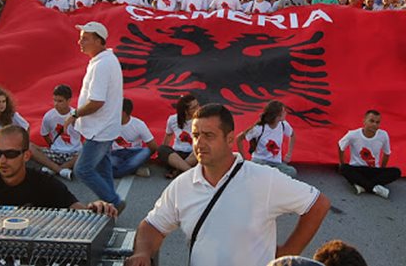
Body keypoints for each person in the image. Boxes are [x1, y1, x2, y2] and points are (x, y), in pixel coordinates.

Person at [125, 103, 330, 266]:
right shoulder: (183, 185)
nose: (199, 143)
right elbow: (152, 225)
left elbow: (317, 204)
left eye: (209, 136)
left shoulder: (263, 179)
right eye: (196, 136)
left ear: (230, 139)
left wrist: (286, 254)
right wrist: (142, 252)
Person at [64, 21, 125, 211]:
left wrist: (74, 113)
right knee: (102, 167)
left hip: (99, 129)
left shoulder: (102, 65)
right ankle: (110, 205)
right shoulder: (105, 60)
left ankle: (114, 202)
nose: (80, 42)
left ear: (99, 41)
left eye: (85, 39)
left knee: (82, 169)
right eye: (81, 38)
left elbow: (97, 102)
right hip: (105, 127)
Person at [337, 109, 401, 198]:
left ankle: (363, 186)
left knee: (396, 172)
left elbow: (387, 153)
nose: (374, 124)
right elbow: (340, 145)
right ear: (364, 121)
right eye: (371, 121)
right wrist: (341, 162)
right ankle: (374, 187)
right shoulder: (353, 134)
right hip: (357, 168)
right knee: (344, 168)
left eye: (377, 122)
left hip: (374, 170)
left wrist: (382, 169)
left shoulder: (383, 135)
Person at [237, 100, 297, 177]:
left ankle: (268, 177)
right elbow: (239, 138)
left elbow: (292, 135)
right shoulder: (259, 128)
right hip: (260, 161)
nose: (286, 113)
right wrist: (244, 160)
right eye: (283, 111)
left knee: (291, 171)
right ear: (277, 115)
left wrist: (289, 154)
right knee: (262, 173)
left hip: (275, 163)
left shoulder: (283, 125)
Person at [35, 84, 80, 179]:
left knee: (86, 152)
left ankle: (53, 169)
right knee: (29, 147)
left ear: (68, 101)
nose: (56, 104)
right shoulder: (49, 116)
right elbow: (45, 134)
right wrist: (53, 146)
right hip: (56, 152)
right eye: (54, 100)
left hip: (74, 153)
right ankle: (61, 170)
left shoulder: (76, 115)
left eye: (60, 101)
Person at [109, 98, 157, 178]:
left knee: (146, 151)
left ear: (123, 113)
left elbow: (153, 147)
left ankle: (116, 173)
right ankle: (133, 169)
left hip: (134, 153)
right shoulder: (109, 123)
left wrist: (141, 158)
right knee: (103, 159)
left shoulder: (139, 124)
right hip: (115, 154)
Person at [157, 93, 199, 178]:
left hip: (193, 154)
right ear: (185, 111)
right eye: (194, 108)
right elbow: (167, 140)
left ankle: (177, 170)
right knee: (162, 149)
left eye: (198, 105)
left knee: (201, 149)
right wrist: (163, 154)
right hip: (176, 155)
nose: (198, 109)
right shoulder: (173, 120)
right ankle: (188, 171)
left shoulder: (201, 120)